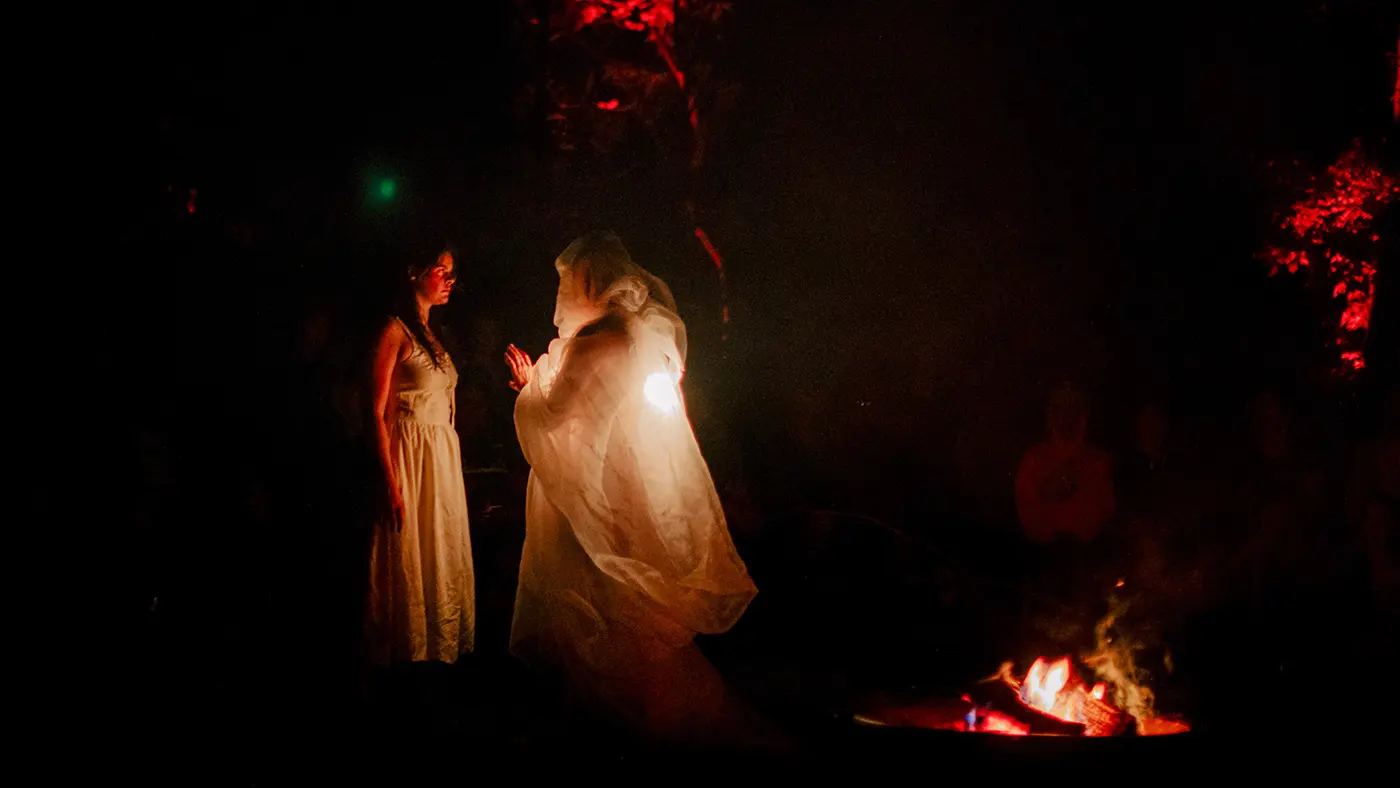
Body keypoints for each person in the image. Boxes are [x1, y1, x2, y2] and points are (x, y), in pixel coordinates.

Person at [503, 232, 761, 747]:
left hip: (585, 497)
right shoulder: (638, 332)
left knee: (593, 606)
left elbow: (555, 417)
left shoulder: (599, 337)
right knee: (617, 603)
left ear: (589, 281)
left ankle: (620, 729)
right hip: (620, 486)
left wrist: (529, 387)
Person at [365, 246, 476, 666]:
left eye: (451, 272)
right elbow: (375, 410)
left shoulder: (432, 336)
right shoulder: (394, 330)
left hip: (438, 457)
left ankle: (435, 653)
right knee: (408, 553)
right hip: (409, 457)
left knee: (438, 548)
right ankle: (398, 661)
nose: (449, 280)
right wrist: (389, 481)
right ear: (414, 272)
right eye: (440, 271)